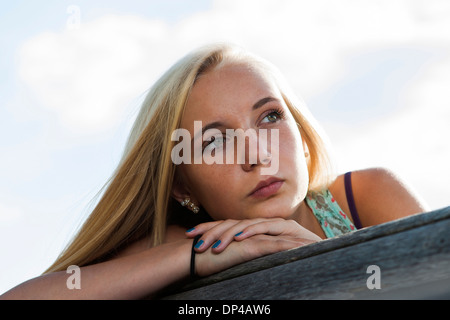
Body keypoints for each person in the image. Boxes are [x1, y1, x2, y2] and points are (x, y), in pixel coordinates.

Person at [1, 43, 428, 300]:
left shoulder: (365, 196)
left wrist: (324, 256)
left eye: (269, 118)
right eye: (214, 141)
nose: (256, 155)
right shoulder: (192, 242)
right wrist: (193, 257)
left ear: (300, 131)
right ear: (181, 186)